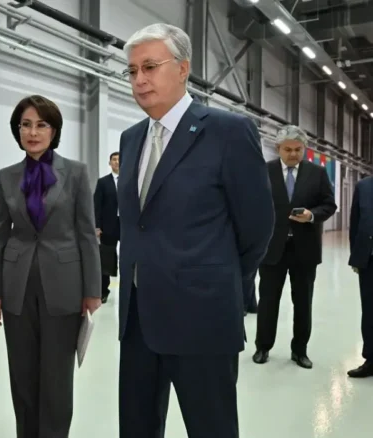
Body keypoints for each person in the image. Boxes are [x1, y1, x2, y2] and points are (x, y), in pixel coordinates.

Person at [116, 23, 274, 438]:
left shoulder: (227, 131)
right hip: (138, 319)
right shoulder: (131, 139)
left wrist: (217, 282)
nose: (139, 79)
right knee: (136, 427)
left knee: (211, 427)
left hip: (201, 318)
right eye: (132, 70)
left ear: (183, 68)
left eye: (150, 67)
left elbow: (257, 227)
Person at [0, 95, 101, 438]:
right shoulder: (7, 177)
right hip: (17, 288)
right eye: (25, 125)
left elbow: (86, 233)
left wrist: (92, 290)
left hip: (64, 287)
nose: (32, 132)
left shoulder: (76, 173)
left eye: (41, 125)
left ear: (54, 131)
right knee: (22, 375)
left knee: (56, 376)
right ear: (17, 130)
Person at [253, 125, 336, 369]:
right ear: (278, 148)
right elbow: (253, 204)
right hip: (271, 248)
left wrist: (312, 215)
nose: (293, 154)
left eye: (298, 149)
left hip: (305, 249)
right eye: (287, 149)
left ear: (304, 149)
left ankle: (299, 351)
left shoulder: (317, 173)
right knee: (268, 301)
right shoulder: (264, 171)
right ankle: (263, 347)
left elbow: (329, 205)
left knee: (303, 302)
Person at [346, 176, 373, 378]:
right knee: (370, 311)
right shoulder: (364, 187)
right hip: (369, 260)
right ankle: (371, 359)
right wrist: (356, 257)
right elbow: (355, 223)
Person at [94, 151, 120, 303]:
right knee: (106, 259)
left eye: (119, 159)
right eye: (114, 160)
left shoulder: (131, 181)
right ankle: (103, 291)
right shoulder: (103, 182)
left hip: (127, 226)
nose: (117, 162)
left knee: (130, 258)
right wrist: (97, 226)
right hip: (108, 226)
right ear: (110, 163)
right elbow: (97, 206)